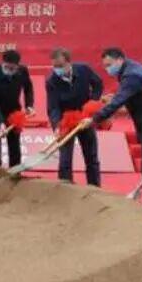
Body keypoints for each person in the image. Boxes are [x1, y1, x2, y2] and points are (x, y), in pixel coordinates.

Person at [80, 48, 142, 211]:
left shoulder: (132, 75)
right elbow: (129, 99)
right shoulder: (132, 69)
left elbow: (119, 101)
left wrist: (94, 118)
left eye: (109, 65)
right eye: (105, 66)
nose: (107, 69)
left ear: (120, 59)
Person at [45, 48, 103, 186]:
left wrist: (93, 102)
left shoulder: (83, 69)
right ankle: (65, 187)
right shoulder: (51, 81)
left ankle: (94, 187)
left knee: (91, 156)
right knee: (65, 158)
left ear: (68, 62)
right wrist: (57, 125)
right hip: (66, 120)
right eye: (54, 66)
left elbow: (98, 84)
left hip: (85, 117)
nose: (57, 69)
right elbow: (53, 107)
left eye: (60, 66)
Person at [0, 50, 35, 167]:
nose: (10, 70)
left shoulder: (22, 71)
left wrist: (29, 105)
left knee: (14, 143)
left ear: (17, 66)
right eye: (7, 67)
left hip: (14, 112)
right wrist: (1, 122)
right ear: (3, 63)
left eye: (13, 68)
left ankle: (15, 172)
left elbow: (28, 88)